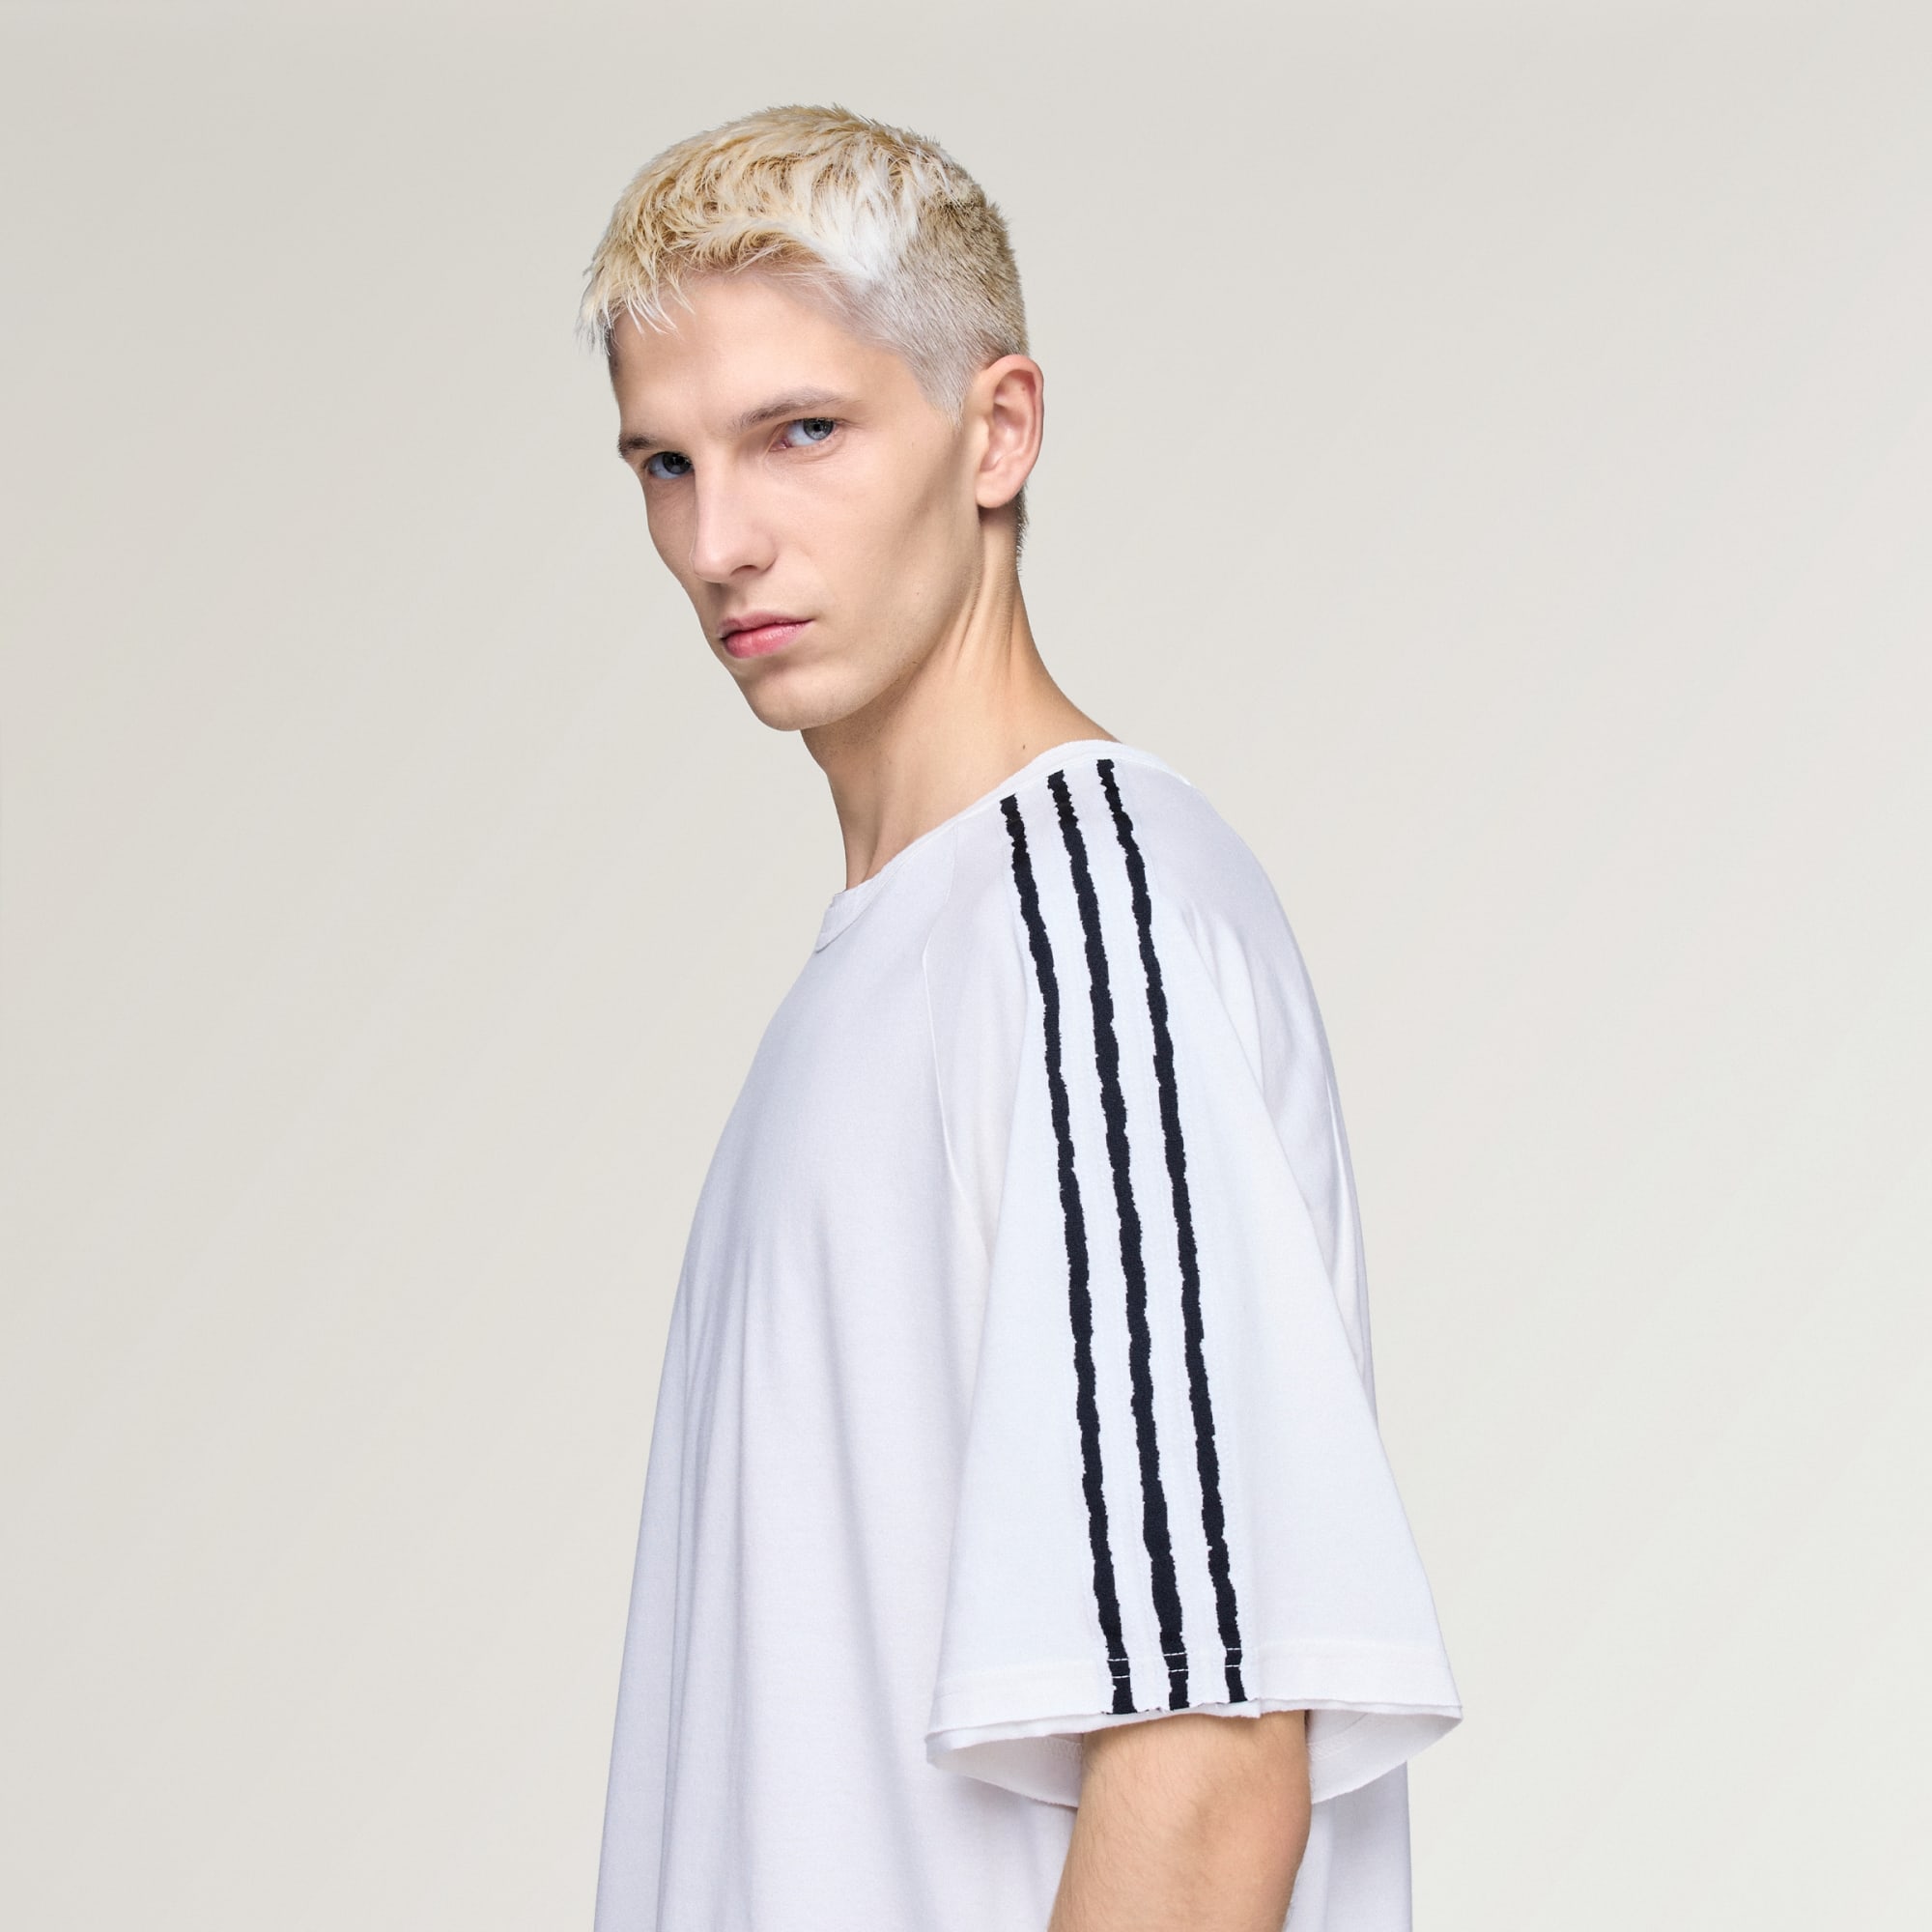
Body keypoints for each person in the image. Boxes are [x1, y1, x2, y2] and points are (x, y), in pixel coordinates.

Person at [577, 103, 1462, 1932]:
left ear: (997, 432)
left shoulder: (1082, 930)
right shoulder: (902, 957)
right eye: (665, 464)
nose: (720, 540)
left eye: (801, 433)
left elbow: (1208, 1760)